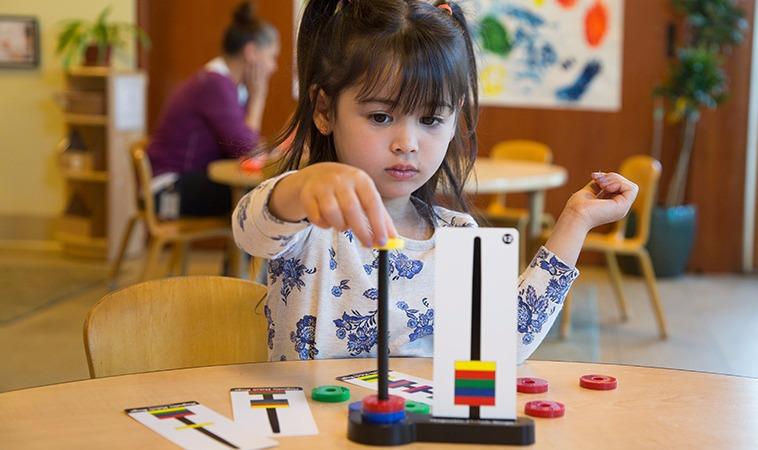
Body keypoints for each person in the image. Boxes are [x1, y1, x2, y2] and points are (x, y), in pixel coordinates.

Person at [233, 0, 638, 363]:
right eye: (380, 117)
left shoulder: (458, 234)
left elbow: (501, 343)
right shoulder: (308, 219)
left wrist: (575, 221)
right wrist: (301, 188)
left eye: (430, 120)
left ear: (454, 119)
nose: (407, 143)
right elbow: (251, 229)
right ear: (324, 110)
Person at [147, 2, 280, 218]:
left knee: (262, 192)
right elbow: (246, 149)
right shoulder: (214, 84)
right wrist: (258, 98)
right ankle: (251, 253)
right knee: (261, 195)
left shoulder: (226, 86)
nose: (273, 67)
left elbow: (244, 144)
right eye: (272, 56)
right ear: (251, 52)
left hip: (183, 183)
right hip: (168, 191)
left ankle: (243, 253)